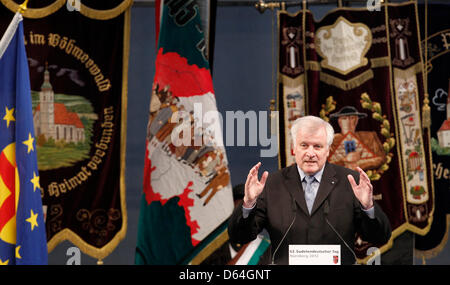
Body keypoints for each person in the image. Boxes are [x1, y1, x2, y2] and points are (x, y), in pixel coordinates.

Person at [228, 116, 391, 265]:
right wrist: (248, 204)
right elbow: (240, 236)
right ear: (294, 148)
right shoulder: (272, 184)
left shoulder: (350, 181)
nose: (310, 153)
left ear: (328, 150)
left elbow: (379, 237)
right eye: (304, 145)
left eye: (318, 146)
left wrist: (368, 207)